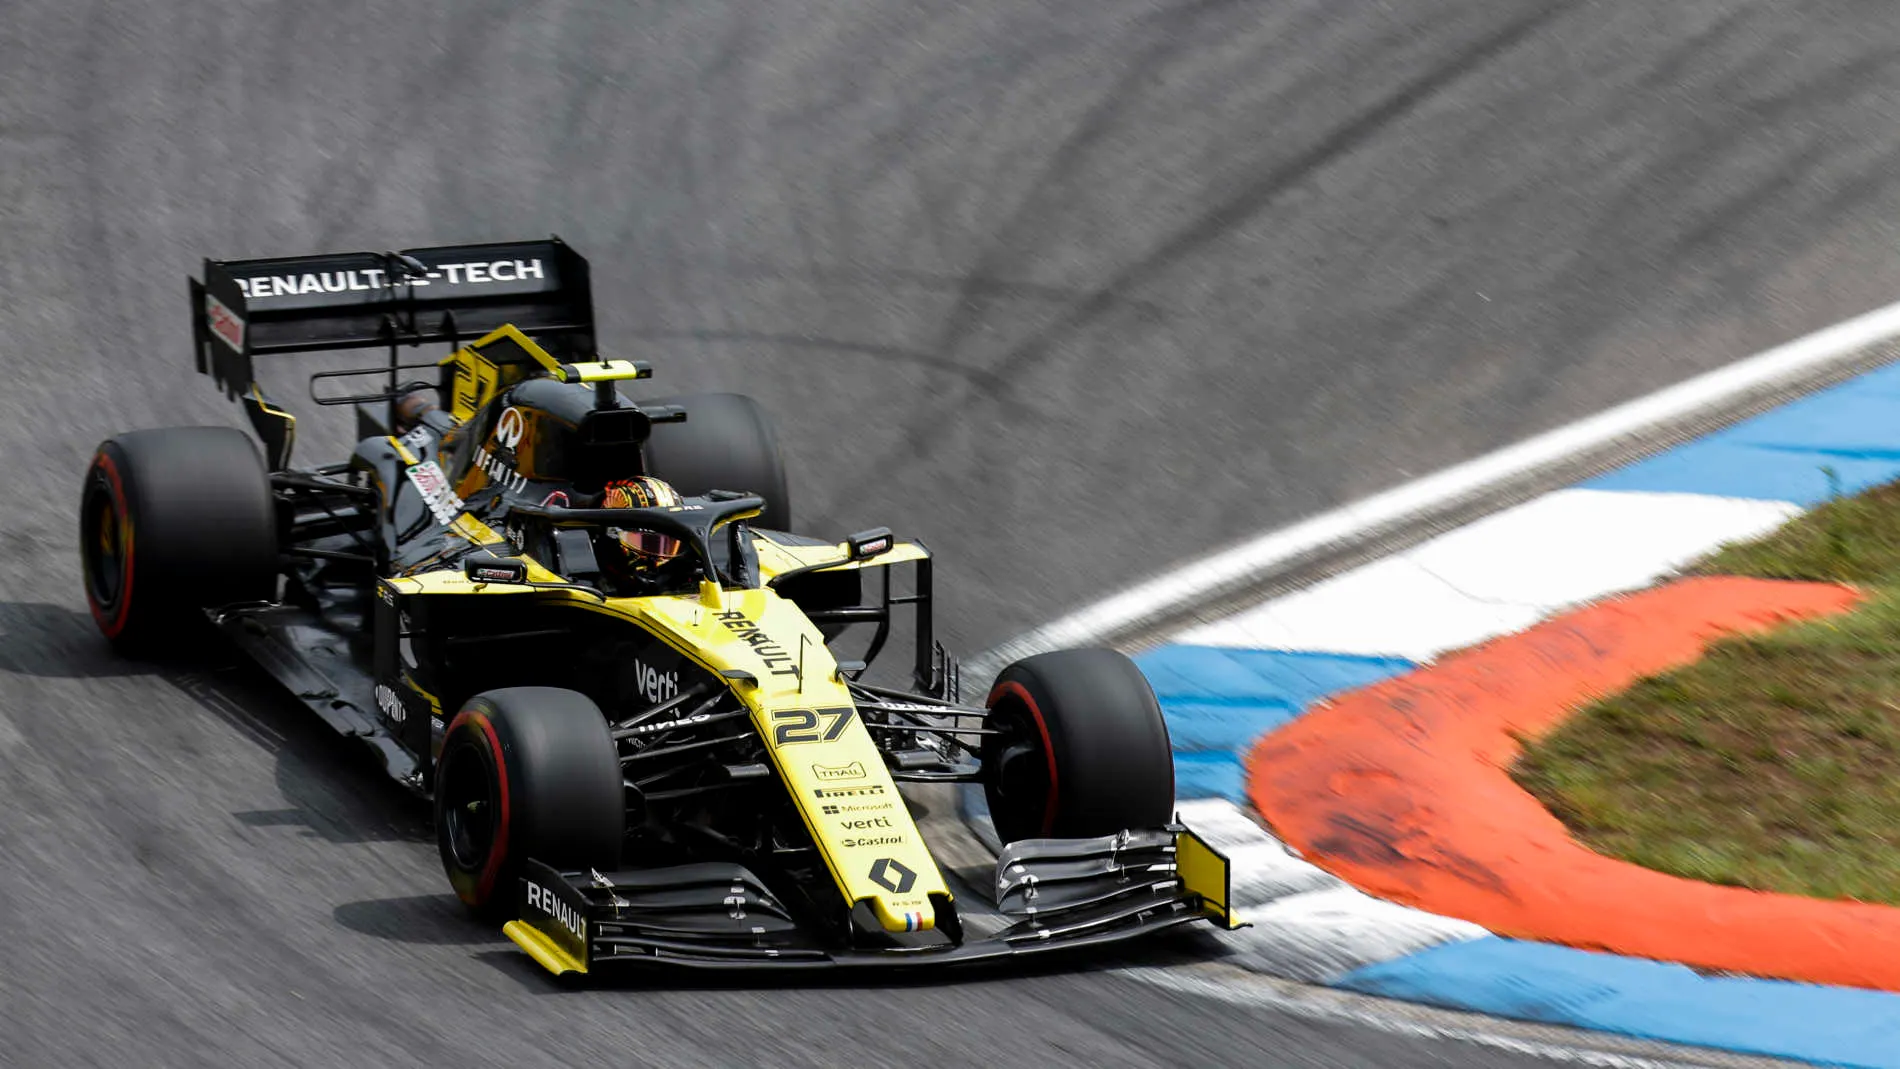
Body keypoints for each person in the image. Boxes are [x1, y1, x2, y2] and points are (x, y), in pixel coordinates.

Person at [596, 475, 694, 594]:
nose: (659, 558)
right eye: (649, 543)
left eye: (668, 545)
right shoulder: (589, 588)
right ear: (613, 535)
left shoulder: (682, 578)